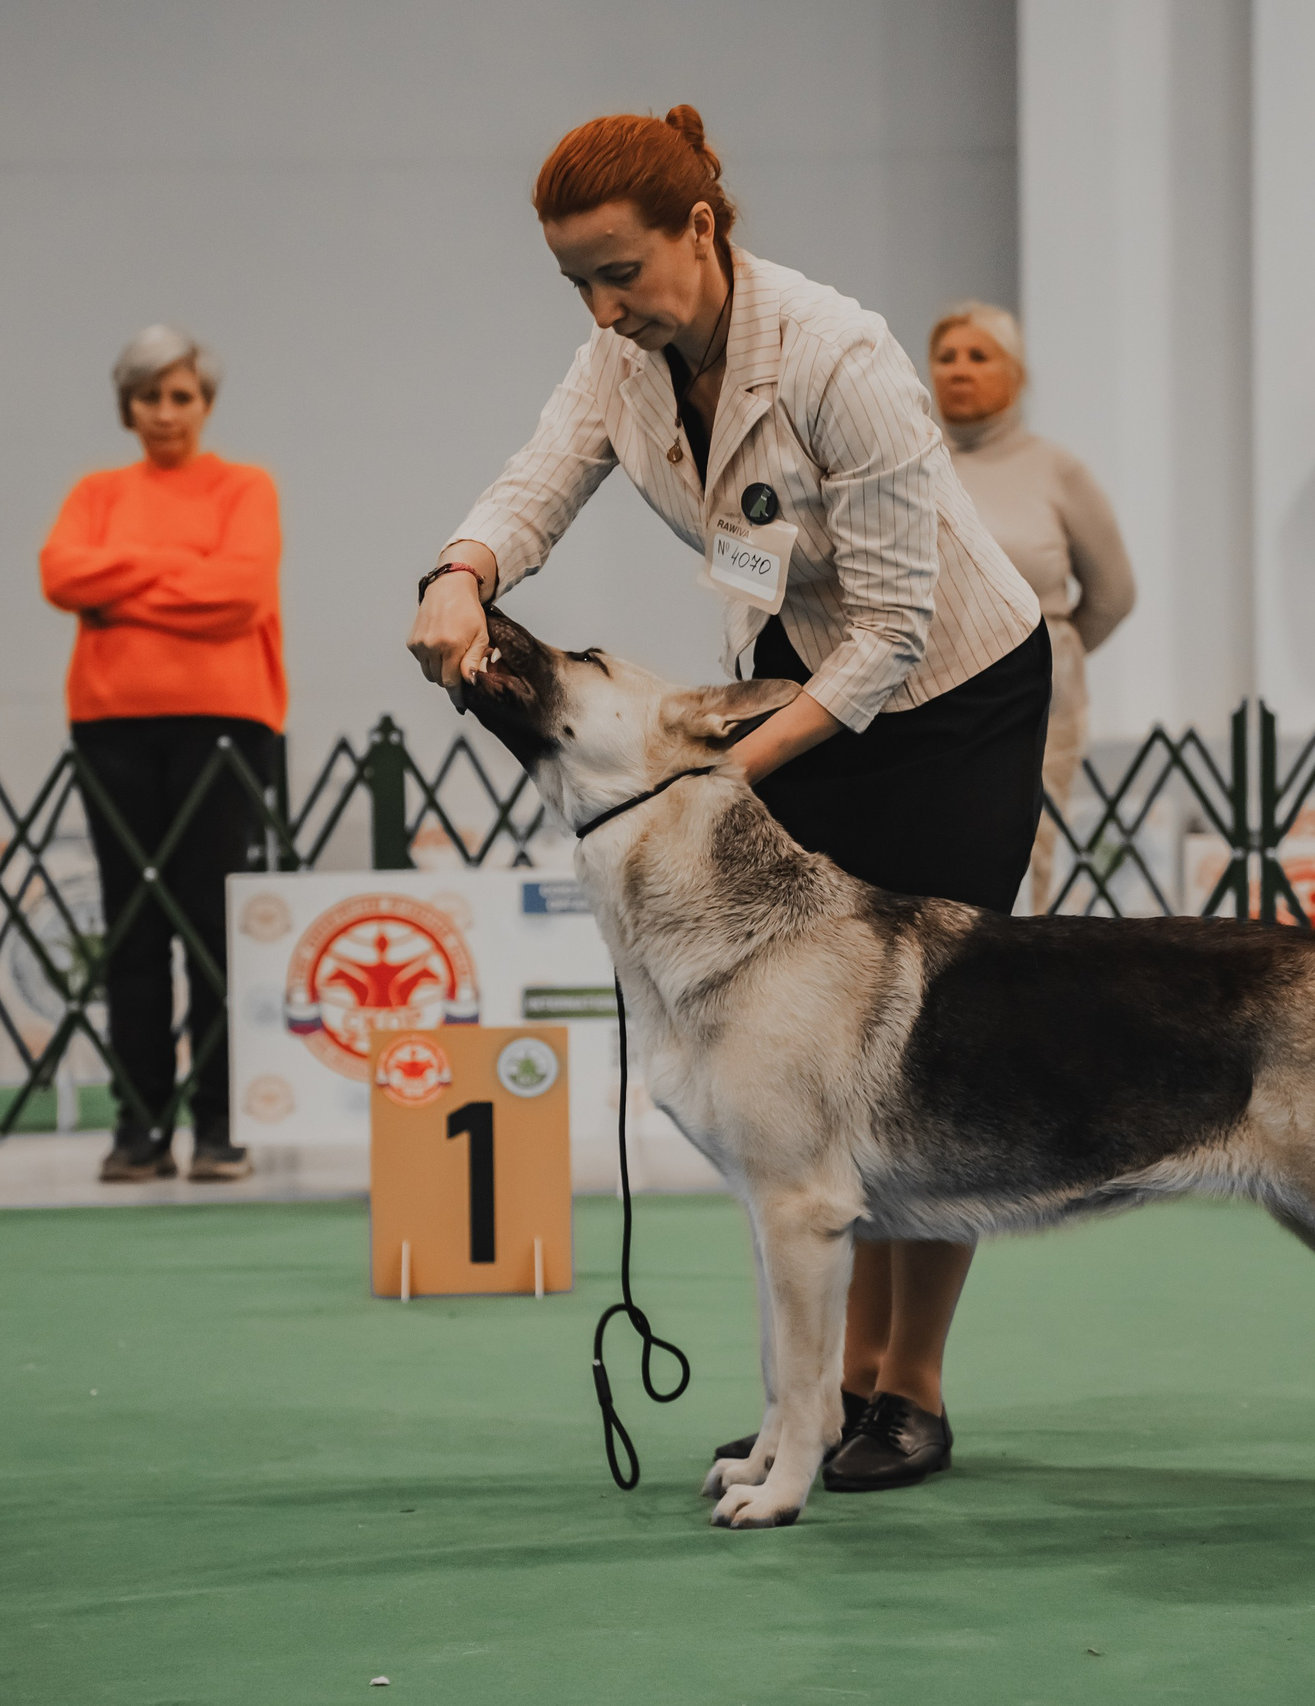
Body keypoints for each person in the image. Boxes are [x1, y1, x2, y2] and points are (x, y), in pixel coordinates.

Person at [408, 107, 1047, 1493]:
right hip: (791, 674)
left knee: (915, 1047)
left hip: (948, 691)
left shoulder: (837, 357)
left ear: (698, 227)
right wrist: (460, 571)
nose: (602, 308)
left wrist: (713, 779)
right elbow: (537, 484)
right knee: (811, 1055)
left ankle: (909, 1387)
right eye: (575, 281)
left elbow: (893, 628)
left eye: (619, 271)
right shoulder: (618, 359)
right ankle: (826, 1392)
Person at [41, 326, 282, 1186]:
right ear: (127, 407)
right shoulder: (94, 492)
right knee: (132, 929)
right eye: (149, 397)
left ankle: (220, 1128)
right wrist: (182, 570)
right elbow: (61, 576)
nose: (166, 412)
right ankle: (137, 1128)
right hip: (110, 727)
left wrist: (122, 585)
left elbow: (241, 592)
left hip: (226, 726)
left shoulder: (245, 487)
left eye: (181, 396)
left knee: (212, 927)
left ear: (205, 405)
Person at [928, 304, 1135, 912]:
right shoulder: (911, 464)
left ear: (1016, 375)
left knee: (1022, 858)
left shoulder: (1058, 469)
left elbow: (1113, 595)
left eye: (979, 356)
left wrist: (1043, 653)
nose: (959, 370)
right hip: (928, 697)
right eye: (946, 357)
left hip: (1037, 701)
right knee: (935, 860)